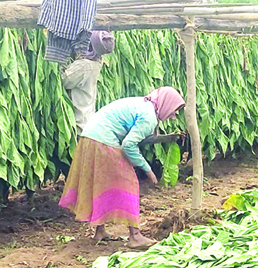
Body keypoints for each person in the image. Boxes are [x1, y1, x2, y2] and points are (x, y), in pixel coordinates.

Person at [60, 86, 185, 249]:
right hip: (103, 141)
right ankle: (135, 236)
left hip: (89, 139)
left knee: (101, 183)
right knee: (129, 183)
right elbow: (129, 145)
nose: (174, 116)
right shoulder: (149, 116)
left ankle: (100, 231)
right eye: (174, 110)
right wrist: (147, 169)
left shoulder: (144, 105)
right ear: (166, 103)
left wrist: (167, 138)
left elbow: (138, 137)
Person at [62, 30, 115, 131]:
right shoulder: (96, 61)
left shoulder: (84, 65)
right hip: (87, 120)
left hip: (79, 123)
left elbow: (64, 81)